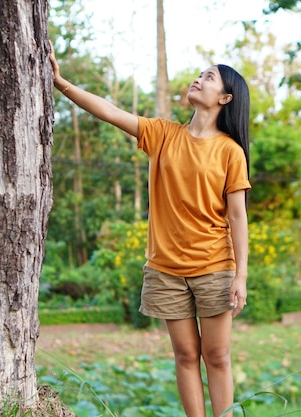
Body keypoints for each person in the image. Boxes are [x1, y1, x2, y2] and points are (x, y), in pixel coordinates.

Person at [49, 42, 251, 417]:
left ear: (225, 97)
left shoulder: (230, 152)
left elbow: (238, 217)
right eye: (200, 74)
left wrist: (241, 275)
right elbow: (109, 111)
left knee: (217, 355)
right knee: (186, 354)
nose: (198, 78)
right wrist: (61, 83)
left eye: (208, 77)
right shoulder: (163, 135)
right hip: (166, 269)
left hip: (213, 266)